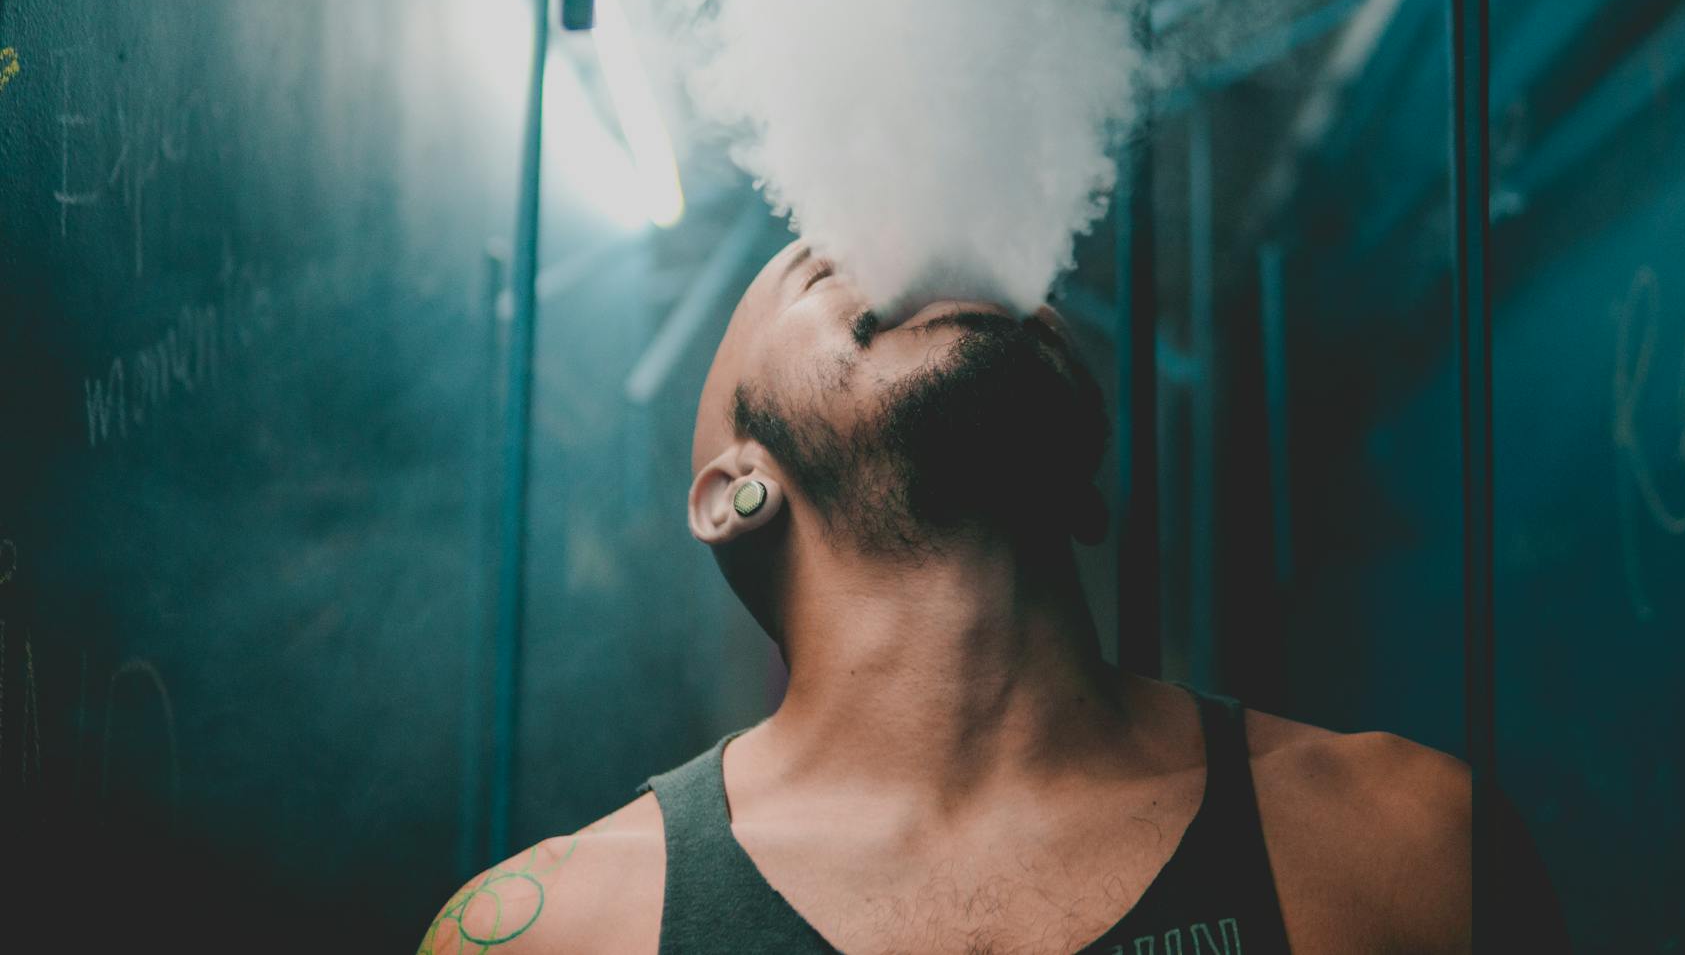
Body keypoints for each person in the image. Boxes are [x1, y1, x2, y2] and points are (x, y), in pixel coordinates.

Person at [421, 241, 1563, 953]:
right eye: (824, 261)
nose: (920, 256)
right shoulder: (561, 929)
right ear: (733, 489)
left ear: (1083, 470)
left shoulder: (1404, 843)